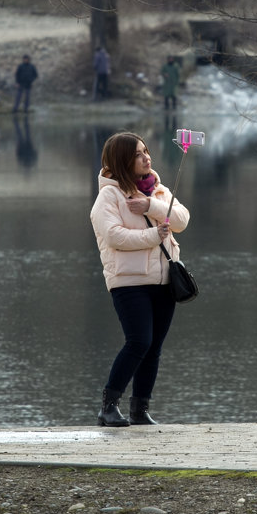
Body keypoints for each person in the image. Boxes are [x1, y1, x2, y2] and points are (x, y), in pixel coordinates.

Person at [90, 131, 190, 427]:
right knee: (138, 342)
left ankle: (139, 409)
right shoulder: (109, 195)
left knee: (154, 347)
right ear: (122, 160)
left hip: (163, 280)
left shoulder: (158, 190)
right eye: (137, 154)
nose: (146, 157)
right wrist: (152, 235)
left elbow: (182, 219)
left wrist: (150, 207)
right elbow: (114, 236)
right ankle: (108, 406)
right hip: (129, 282)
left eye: (146, 151)